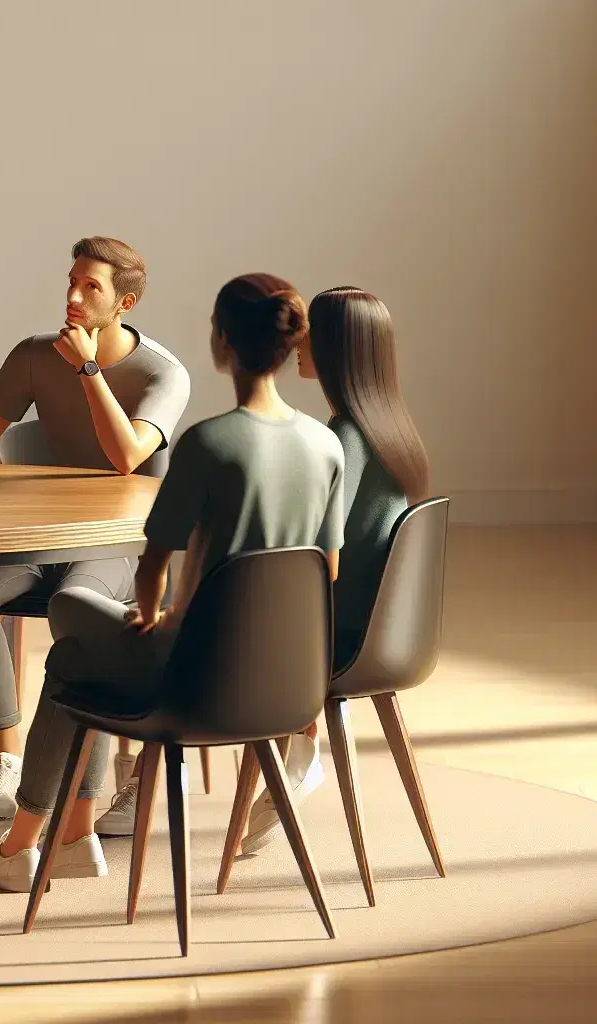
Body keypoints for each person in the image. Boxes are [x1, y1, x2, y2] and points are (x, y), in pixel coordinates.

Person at [0, 273, 346, 892]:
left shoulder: (209, 442)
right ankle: (71, 839)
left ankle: (29, 845)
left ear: (221, 343)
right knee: (86, 641)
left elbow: (153, 566)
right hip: (291, 681)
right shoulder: (325, 444)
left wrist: (150, 617)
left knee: (74, 656)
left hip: (196, 676)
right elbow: (323, 568)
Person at [0, 237, 190, 819]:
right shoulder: (34, 355)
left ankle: (83, 796)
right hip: (41, 531)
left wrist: (86, 368)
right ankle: (8, 762)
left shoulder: (163, 372)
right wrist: (10, 490)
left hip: (119, 540)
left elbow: (128, 455)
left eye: (92, 287)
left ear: (123, 302)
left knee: (76, 608)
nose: (74, 296)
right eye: (72, 282)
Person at [226, 285, 433, 854]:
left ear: (338, 345)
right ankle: (297, 736)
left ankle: (290, 744)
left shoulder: (343, 436)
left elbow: (318, 552)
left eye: (310, 330)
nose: (297, 340)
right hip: (382, 629)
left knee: (207, 634)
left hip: (338, 635)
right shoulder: (391, 428)